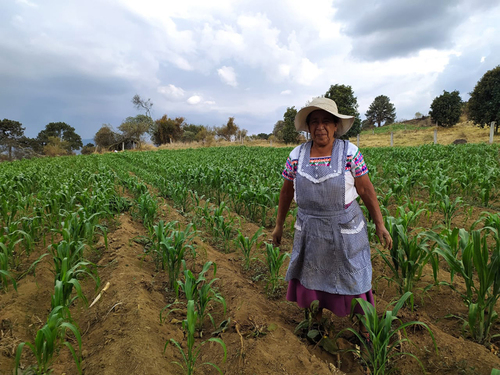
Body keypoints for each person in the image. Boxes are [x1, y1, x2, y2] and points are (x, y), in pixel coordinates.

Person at [272, 97, 392, 340]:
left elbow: (366, 190)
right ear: (308, 127)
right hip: (310, 231)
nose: (320, 127)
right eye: (314, 122)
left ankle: (363, 331)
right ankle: (316, 324)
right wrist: (278, 226)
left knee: (355, 279)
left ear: (336, 125)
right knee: (312, 278)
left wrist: (380, 224)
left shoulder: (350, 152)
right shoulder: (296, 155)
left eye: (326, 121)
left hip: (345, 231)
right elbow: (286, 192)